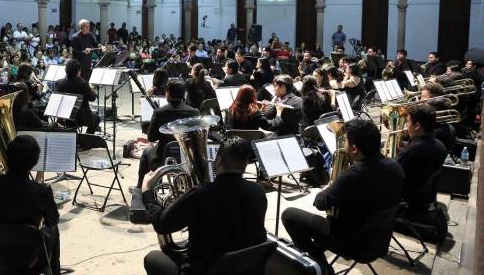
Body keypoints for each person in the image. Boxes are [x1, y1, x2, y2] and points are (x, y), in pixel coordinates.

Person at [282, 119, 405, 275]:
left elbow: (320, 203)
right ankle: (315, 254)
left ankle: (321, 268)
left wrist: (329, 187)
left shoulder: (355, 174)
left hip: (352, 243)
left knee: (289, 215)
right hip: (379, 240)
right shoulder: (395, 166)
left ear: (354, 148)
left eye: (345, 141)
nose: (344, 145)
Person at [142, 138, 267, 275]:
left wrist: (147, 191)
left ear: (218, 160)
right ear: (245, 163)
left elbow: (162, 224)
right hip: (248, 268)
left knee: (153, 258)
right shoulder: (258, 191)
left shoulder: (201, 194)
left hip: (207, 269)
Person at [0, 135, 61, 275]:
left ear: (6, 158)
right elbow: (53, 221)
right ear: (35, 161)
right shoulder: (42, 191)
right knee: (54, 229)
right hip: (30, 264)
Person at [136, 80, 199, 188]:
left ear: (168, 94)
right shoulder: (194, 112)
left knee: (146, 151)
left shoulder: (160, 112)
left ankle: (140, 187)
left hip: (163, 157)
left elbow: (151, 137)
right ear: (184, 94)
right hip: (187, 157)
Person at [397, 104, 447, 217]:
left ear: (417, 125)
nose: (406, 125)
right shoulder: (441, 146)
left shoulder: (410, 152)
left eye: (408, 122)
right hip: (427, 195)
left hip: (406, 201)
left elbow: (390, 174)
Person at [56, 59, 99, 134]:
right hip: (81, 117)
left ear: (66, 70)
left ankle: (73, 135)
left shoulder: (58, 83)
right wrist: (92, 90)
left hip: (64, 116)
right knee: (97, 118)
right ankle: (87, 138)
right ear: (78, 71)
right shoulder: (83, 84)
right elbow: (92, 98)